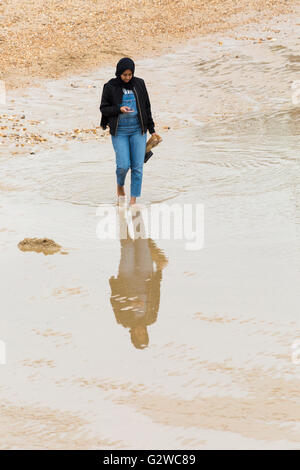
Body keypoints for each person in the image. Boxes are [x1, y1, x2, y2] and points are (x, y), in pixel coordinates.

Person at [100, 57, 160, 206]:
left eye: (130, 74)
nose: (127, 78)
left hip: (138, 131)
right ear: (118, 73)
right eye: (124, 75)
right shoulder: (110, 87)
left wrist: (152, 130)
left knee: (137, 167)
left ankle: (133, 201)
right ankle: (120, 186)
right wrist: (119, 109)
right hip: (119, 132)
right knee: (123, 165)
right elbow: (104, 108)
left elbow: (146, 107)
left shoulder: (139, 84)